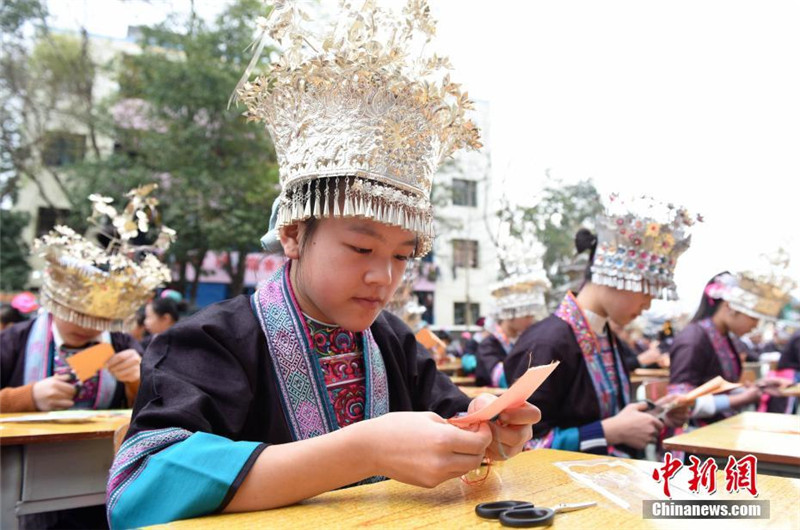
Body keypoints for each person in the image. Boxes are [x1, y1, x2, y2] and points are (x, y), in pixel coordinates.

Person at [106, 4, 540, 528]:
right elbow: (139, 490)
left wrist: (485, 426)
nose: (384, 277)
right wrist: (363, 450)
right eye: (361, 248)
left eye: (402, 256)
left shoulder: (392, 341)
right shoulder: (210, 341)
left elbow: (450, 418)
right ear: (293, 234)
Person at [0, 186, 173, 529]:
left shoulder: (122, 343)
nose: (88, 327)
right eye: (77, 316)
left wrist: (136, 382)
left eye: (98, 320)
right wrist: (27, 397)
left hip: (100, 478)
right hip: (20, 482)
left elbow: (161, 411)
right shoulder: (15, 341)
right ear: (56, 304)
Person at [505, 195, 697, 457]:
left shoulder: (605, 334)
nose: (647, 305)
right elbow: (519, 444)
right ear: (617, 275)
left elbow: (607, 416)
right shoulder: (547, 342)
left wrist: (655, 413)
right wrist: (608, 432)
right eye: (646, 291)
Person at [668, 271, 790, 426]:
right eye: (753, 317)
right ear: (729, 307)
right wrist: (742, 398)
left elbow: (719, 389)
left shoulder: (725, 338)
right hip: (694, 433)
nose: (755, 325)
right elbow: (679, 403)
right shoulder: (693, 339)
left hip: (720, 426)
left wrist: (760, 387)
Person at [475, 271, 549, 388]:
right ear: (511, 313)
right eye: (526, 315)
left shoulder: (523, 341)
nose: (530, 320)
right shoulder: (488, 345)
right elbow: (502, 379)